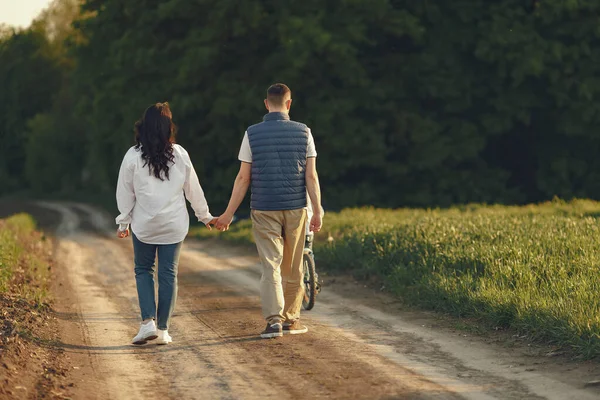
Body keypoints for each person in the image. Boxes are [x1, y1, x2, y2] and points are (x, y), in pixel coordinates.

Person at [215, 83, 323, 339]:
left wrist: (229, 214)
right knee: (294, 266)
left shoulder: (251, 133)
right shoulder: (304, 132)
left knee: (271, 266)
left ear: (266, 104)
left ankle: (273, 321)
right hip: (296, 208)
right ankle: (291, 320)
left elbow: (243, 178)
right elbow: (311, 176)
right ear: (289, 103)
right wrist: (317, 210)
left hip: (264, 208)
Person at [115, 102, 216, 345]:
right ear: (168, 128)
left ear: (143, 127)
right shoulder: (180, 154)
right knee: (168, 274)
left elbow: (125, 192)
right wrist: (204, 216)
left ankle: (147, 322)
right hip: (173, 224)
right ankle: (162, 330)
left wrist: (123, 221)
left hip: (144, 225)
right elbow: (193, 188)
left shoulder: (133, 156)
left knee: (143, 270)